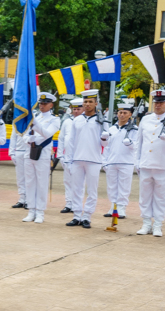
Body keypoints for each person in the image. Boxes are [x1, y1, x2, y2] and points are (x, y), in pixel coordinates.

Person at [135, 89, 165, 237]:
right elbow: (139, 142)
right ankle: (146, 223)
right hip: (146, 163)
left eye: (161, 102)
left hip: (163, 164)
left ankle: (158, 224)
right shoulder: (146, 119)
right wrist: (137, 161)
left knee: (161, 196)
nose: (157, 105)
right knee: (144, 196)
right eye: (156, 102)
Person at [65, 90, 106, 229]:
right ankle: (76, 215)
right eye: (85, 102)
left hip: (93, 159)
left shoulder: (101, 120)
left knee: (92, 190)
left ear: (96, 103)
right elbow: (71, 141)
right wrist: (69, 160)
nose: (87, 104)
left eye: (90, 102)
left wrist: (105, 138)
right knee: (76, 189)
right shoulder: (77, 120)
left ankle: (87, 216)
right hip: (77, 159)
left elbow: (106, 144)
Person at [18, 92, 60, 224]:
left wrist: (35, 125)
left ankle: (40, 212)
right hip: (30, 151)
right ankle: (31, 210)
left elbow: (47, 134)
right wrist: (27, 139)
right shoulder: (34, 116)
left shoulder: (55, 119)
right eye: (41, 103)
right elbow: (24, 133)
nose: (42, 105)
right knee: (29, 182)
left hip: (43, 153)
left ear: (51, 105)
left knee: (41, 183)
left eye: (45, 103)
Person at [102, 101, 138, 219]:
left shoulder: (134, 129)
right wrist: (104, 161)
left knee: (124, 185)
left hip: (126, 161)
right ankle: (113, 206)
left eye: (125, 112)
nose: (121, 115)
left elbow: (137, 146)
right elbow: (107, 146)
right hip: (112, 161)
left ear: (130, 115)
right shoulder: (112, 129)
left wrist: (130, 143)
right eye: (120, 112)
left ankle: (121, 208)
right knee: (112, 186)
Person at [56, 98, 83, 215]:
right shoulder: (67, 122)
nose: (76, 111)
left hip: (80, 156)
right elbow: (61, 138)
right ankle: (69, 203)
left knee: (79, 183)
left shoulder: (85, 122)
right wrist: (60, 155)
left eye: (78, 109)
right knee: (67, 181)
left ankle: (77, 205)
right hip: (67, 157)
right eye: (74, 109)